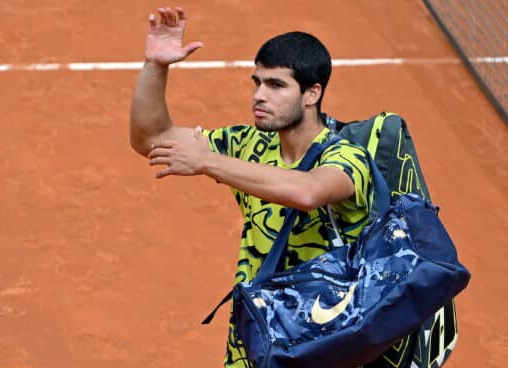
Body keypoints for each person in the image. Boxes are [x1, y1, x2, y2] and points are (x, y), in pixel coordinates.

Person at [129, 6, 410, 368]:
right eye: (257, 82)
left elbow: (308, 191)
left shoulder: (347, 156)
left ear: (312, 94)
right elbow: (152, 138)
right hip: (258, 343)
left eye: (276, 85)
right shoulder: (250, 144)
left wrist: (208, 161)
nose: (259, 95)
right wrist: (156, 66)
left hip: (323, 346)